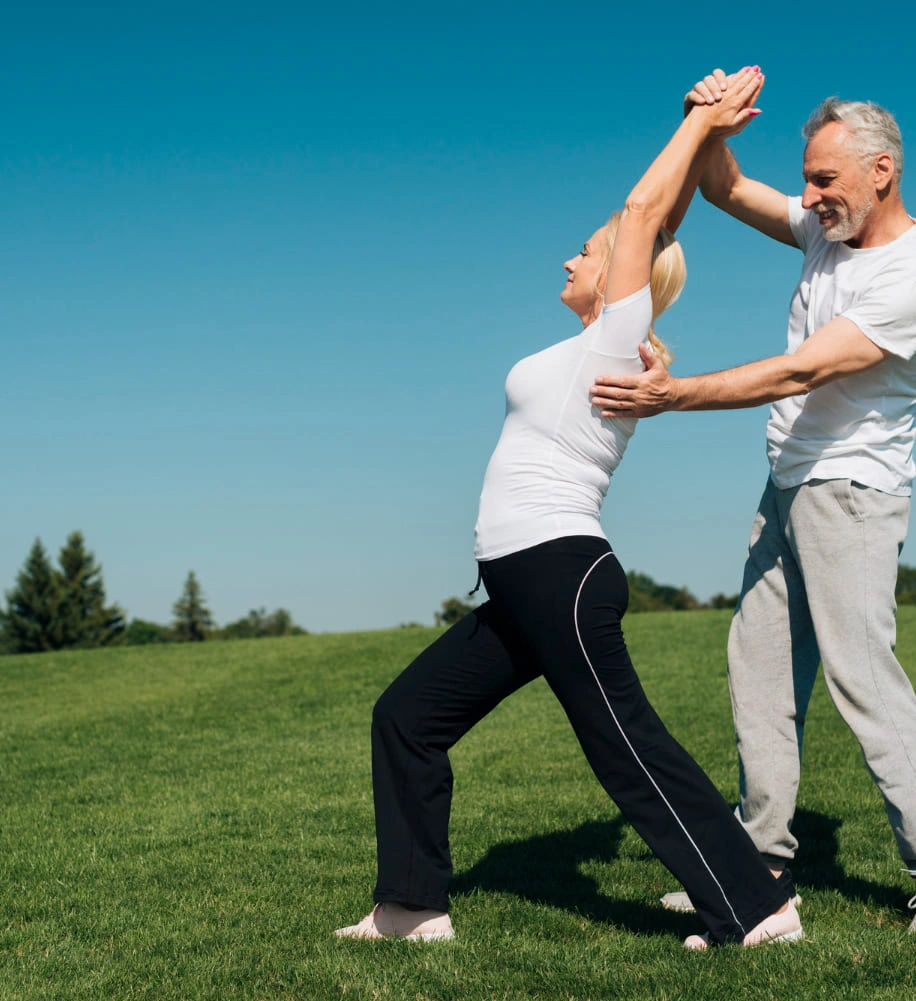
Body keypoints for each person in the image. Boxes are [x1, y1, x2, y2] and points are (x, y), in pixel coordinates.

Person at [335, 67, 801, 950]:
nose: (570, 260)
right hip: (521, 585)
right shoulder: (590, 344)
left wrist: (698, 122)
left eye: (584, 252)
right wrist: (700, 132)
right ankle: (410, 907)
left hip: (560, 572)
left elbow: (644, 216)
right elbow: (654, 223)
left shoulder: (615, 341)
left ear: (619, 273)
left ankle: (758, 907)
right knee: (407, 717)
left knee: (626, 748)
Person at [590, 72, 916, 933]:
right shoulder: (825, 233)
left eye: (824, 180)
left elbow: (803, 370)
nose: (808, 197)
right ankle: (760, 866)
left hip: (852, 493)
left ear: (882, 172)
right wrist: (705, 122)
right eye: (806, 179)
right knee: (759, 674)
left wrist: (675, 394)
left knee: (862, 679)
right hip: (786, 485)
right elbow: (725, 187)